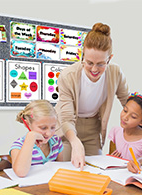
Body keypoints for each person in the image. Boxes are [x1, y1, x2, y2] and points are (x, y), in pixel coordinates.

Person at [55, 22, 129, 170]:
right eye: (89, 63)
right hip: (67, 128)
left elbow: (129, 103)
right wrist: (75, 142)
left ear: (109, 58)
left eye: (101, 64)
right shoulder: (68, 76)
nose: (94, 69)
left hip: (92, 128)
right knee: (66, 170)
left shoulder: (115, 73)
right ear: (83, 55)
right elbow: (67, 118)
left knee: (95, 169)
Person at [10, 100, 63, 177]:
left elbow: (59, 169)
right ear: (27, 124)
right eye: (43, 128)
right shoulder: (18, 146)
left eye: (53, 127)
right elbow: (20, 173)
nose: (48, 133)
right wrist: (30, 137)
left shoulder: (56, 142)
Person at [108, 92, 142, 167]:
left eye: (133, 116)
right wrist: (112, 160)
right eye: (125, 111)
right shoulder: (116, 131)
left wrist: (141, 165)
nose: (125, 117)